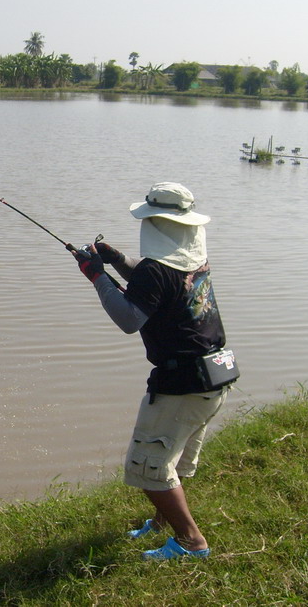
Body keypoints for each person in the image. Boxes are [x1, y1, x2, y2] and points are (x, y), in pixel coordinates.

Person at [71, 182, 235, 561]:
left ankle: (192, 542)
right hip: (214, 374)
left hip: (183, 385)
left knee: (147, 466)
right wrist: (114, 259)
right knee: (171, 459)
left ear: (155, 223)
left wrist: (95, 275)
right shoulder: (194, 262)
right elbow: (151, 283)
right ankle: (162, 522)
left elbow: (130, 317)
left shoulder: (156, 271)